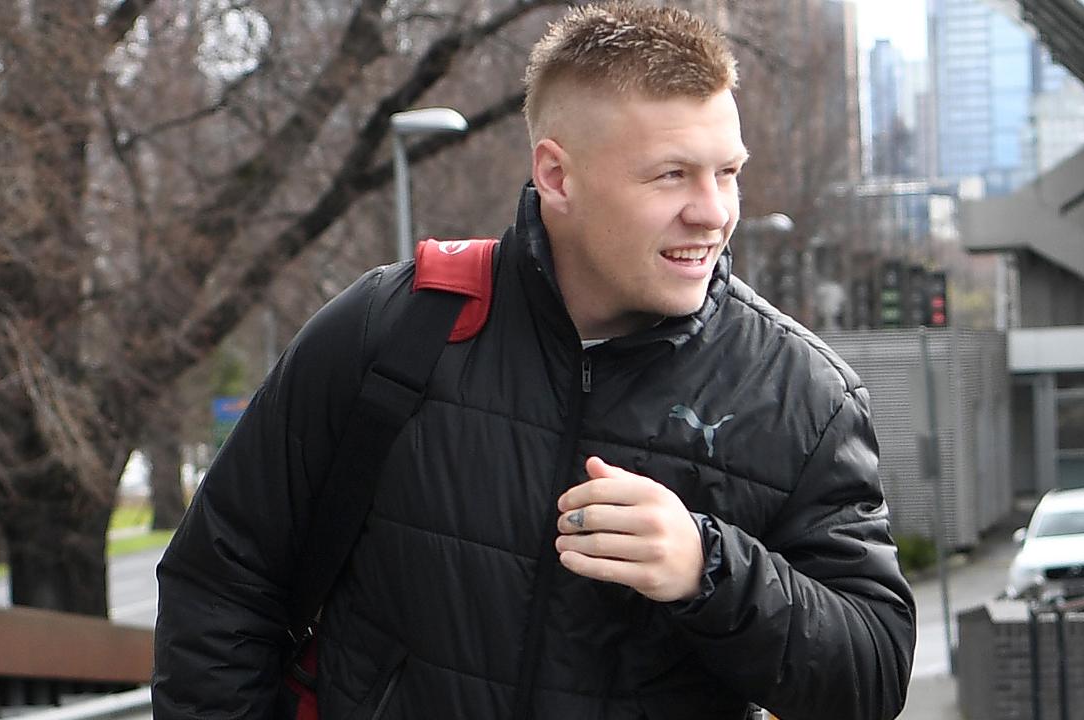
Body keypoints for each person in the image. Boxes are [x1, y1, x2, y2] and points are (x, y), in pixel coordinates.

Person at [152, 3, 916, 719]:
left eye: (728, 172)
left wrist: (709, 569)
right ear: (557, 176)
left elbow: (874, 674)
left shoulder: (803, 394)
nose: (713, 211)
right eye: (671, 174)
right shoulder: (393, 328)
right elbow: (220, 588)